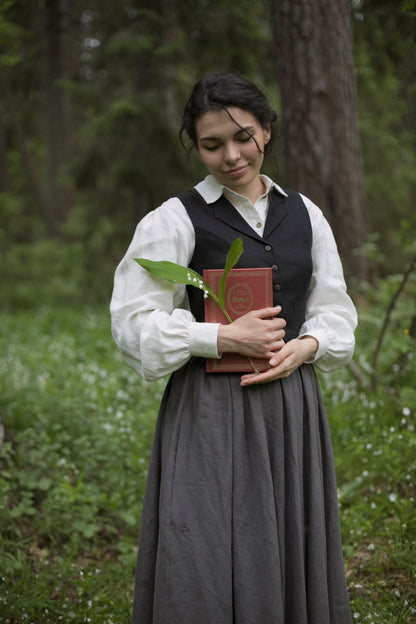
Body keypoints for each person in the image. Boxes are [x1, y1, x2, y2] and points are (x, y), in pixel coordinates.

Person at [110, 72, 357, 624]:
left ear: (266, 131)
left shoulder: (306, 214)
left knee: (289, 541)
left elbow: (334, 308)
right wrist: (220, 336)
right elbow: (132, 326)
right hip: (209, 410)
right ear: (196, 147)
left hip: (291, 408)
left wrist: (309, 345)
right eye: (212, 144)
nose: (231, 155)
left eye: (242, 136)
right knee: (203, 542)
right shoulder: (172, 220)